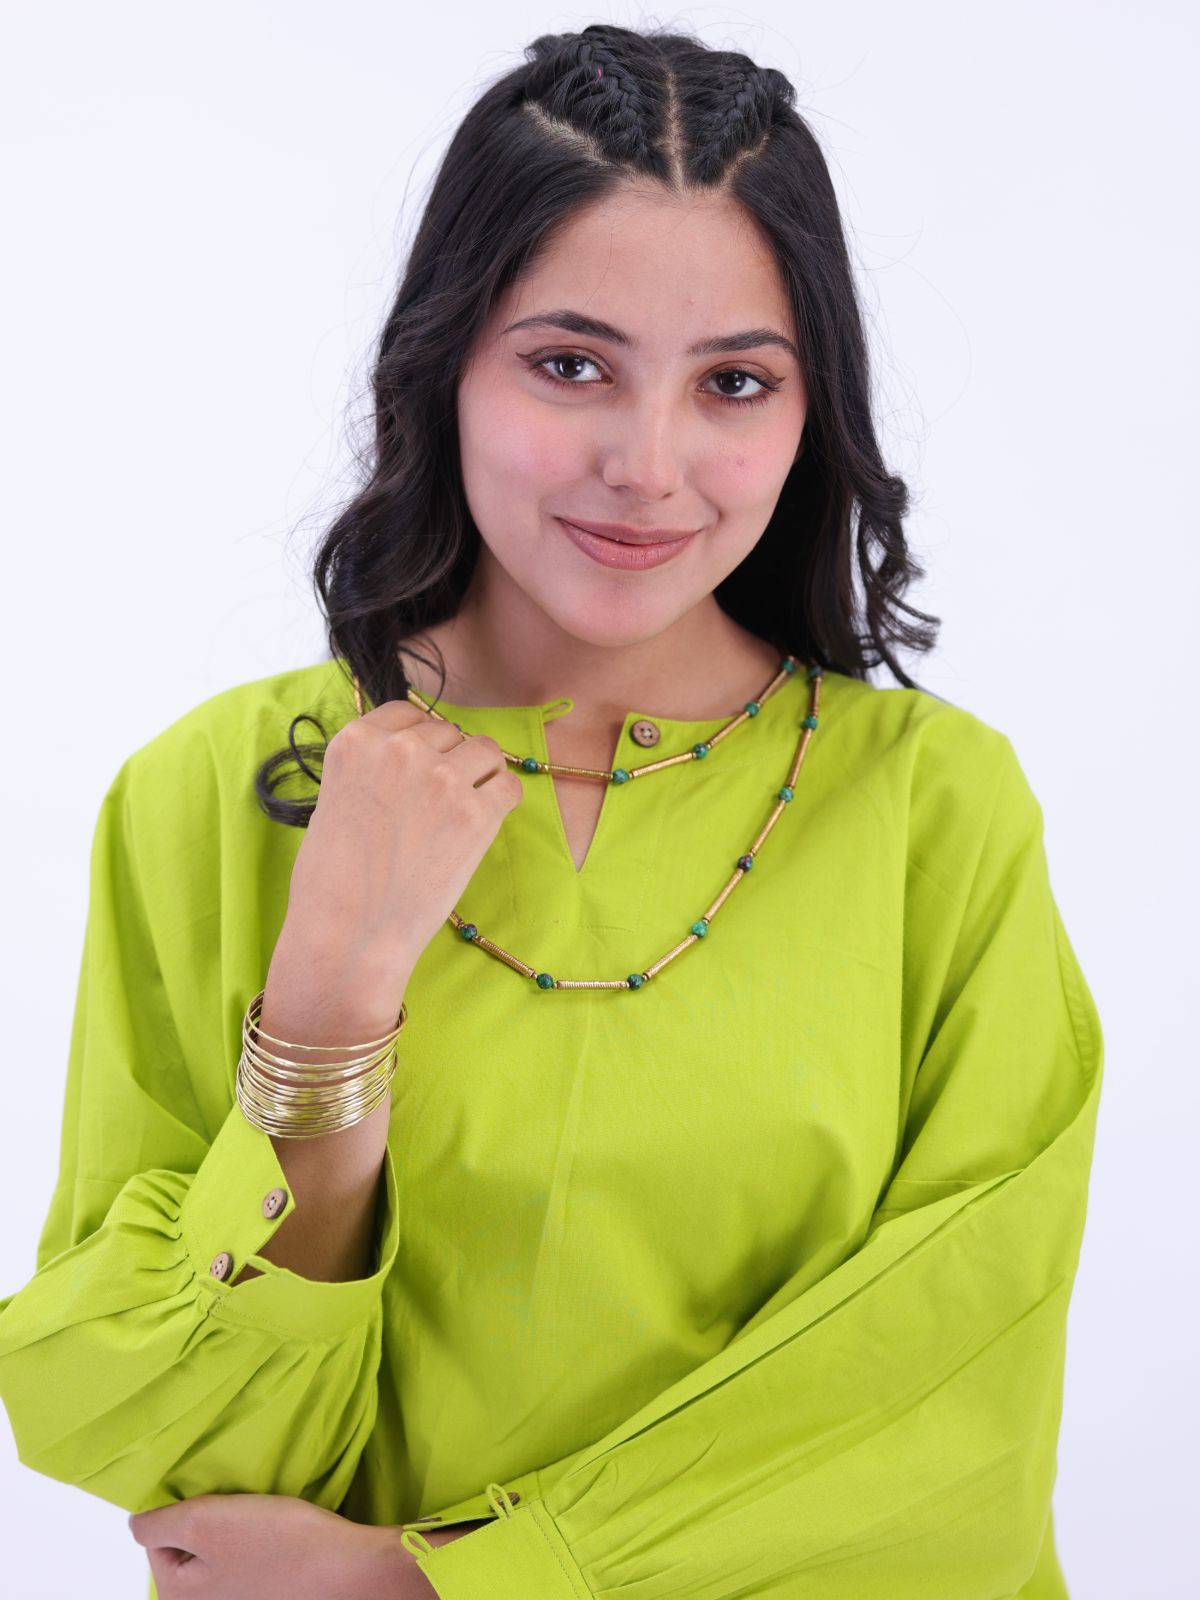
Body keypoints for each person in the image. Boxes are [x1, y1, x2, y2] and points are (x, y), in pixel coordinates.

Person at [0, 20, 1102, 1600]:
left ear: (810, 413)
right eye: (571, 364)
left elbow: (944, 1417)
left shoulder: (939, 812)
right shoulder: (212, 792)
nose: (647, 466)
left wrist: (433, 1582)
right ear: (445, 358)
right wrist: (326, 1009)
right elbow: (149, 1427)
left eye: (734, 383)